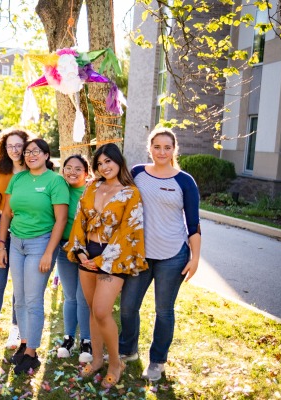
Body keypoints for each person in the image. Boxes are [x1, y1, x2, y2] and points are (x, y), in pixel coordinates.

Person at [119, 127, 201, 382]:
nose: (162, 152)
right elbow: (116, 195)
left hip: (173, 255)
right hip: (140, 255)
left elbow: (194, 222)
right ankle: (128, 351)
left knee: (163, 311)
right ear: (149, 148)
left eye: (167, 147)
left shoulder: (185, 181)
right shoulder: (137, 174)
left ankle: (157, 362)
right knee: (128, 307)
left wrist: (195, 258)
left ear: (174, 150)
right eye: (157, 147)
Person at [65, 143, 147, 389]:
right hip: (86, 253)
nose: (104, 167)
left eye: (108, 161)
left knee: (102, 311)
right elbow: (80, 219)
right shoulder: (92, 187)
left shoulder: (130, 193)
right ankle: (98, 359)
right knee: (92, 310)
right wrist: (79, 251)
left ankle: (115, 363)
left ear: (118, 161)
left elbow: (129, 231)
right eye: (99, 164)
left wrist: (101, 259)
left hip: (114, 257)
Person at [0, 138, 69, 375]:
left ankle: (32, 354)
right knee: (19, 299)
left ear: (47, 155)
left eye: (36, 151)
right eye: (27, 152)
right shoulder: (18, 178)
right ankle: (25, 344)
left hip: (41, 244)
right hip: (16, 243)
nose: (30, 155)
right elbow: (6, 213)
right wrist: (2, 245)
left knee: (33, 299)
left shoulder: (56, 181)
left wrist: (49, 252)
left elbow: (60, 220)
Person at [0, 127, 33, 356]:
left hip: (26, 230)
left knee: (19, 284)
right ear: (3, 147)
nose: (14, 150)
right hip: (3, 228)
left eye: (19, 145)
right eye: (9, 145)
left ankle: (16, 328)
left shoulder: (34, 170)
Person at [55, 155, 92, 363]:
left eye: (78, 169)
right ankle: (68, 339)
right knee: (69, 296)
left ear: (86, 173)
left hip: (86, 251)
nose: (72, 172)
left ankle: (86, 340)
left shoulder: (92, 191)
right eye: (68, 168)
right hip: (65, 248)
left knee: (82, 296)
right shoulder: (60, 188)